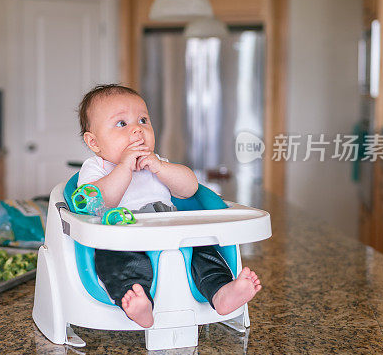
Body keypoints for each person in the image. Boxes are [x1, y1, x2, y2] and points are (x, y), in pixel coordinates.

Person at [76, 84, 262, 328]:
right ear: (94, 142)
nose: (137, 130)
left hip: (171, 229)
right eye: (122, 124)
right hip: (123, 236)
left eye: (143, 120)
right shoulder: (96, 168)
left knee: (203, 250)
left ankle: (221, 291)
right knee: (119, 262)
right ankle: (139, 304)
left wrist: (161, 168)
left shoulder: (156, 163)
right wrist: (124, 168)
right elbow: (96, 201)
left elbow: (189, 189)